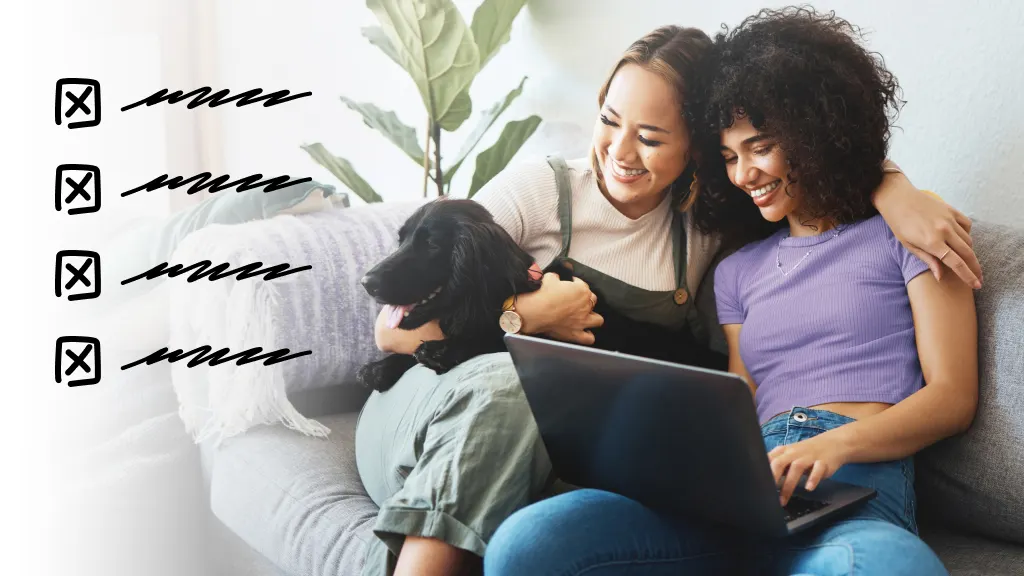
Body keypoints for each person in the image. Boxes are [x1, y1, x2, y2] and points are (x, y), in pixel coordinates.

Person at [355, 18, 982, 576]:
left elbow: (952, 398)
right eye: (732, 156)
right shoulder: (738, 265)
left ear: (819, 133)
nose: (744, 174)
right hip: (737, 488)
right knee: (530, 539)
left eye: (760, 148)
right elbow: (740, 401)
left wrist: (895, 187)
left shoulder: (914, 237)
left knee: (891, 564)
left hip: (850, 488)